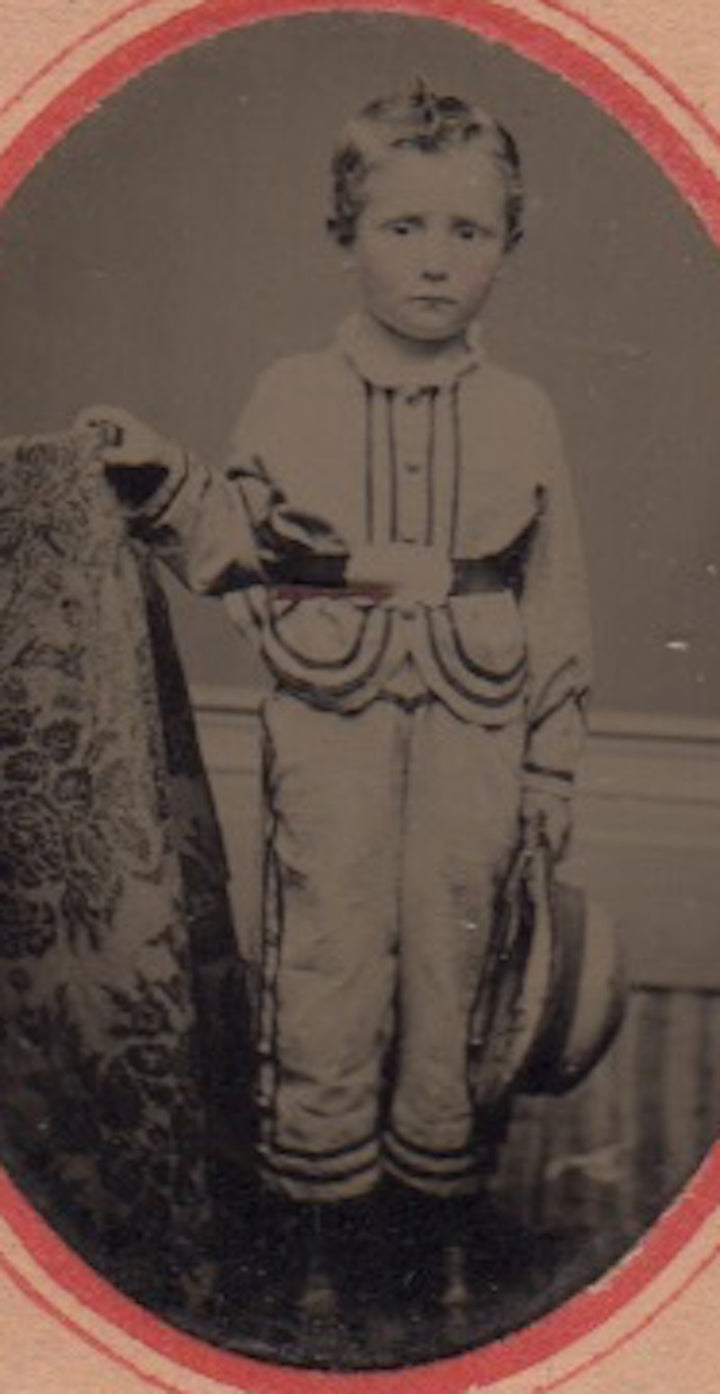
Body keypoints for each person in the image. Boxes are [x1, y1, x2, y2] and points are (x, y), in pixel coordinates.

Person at [82, 81, 591, 1319]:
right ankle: (319, 1216)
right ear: (345, 234)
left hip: (477, 727)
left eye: (468, 232)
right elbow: (237, 538)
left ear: (509, 247)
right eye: (403, 227)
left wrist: (551, 764)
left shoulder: (524, 413)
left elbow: (558, 596)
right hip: (334, 724)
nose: (435, 261)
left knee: (455, 968)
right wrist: (155, 472)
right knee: (327, 957)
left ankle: (425, 1225)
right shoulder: (290, 395)